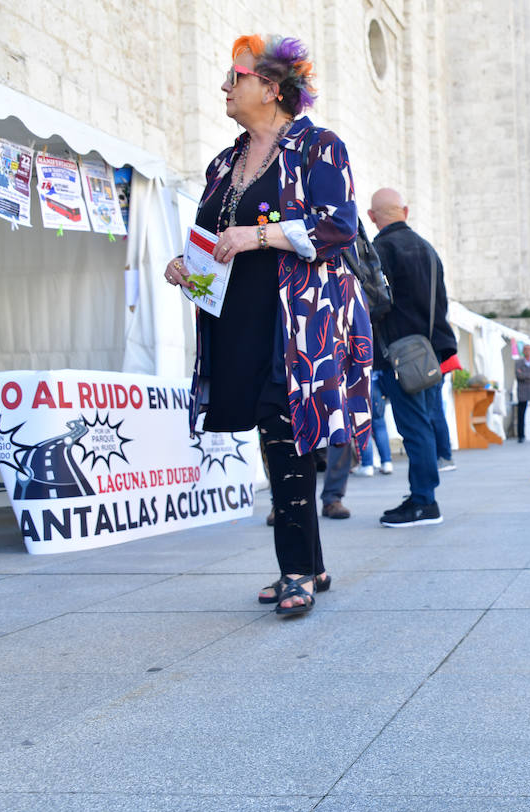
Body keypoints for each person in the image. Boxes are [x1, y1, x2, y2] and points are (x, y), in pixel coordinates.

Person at [166, 34, 370, 616]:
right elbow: (211, 235)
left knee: (285, 433)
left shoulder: (318, 147)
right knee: (273, 432)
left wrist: (255, 235)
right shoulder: (223, 162)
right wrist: (187, 264)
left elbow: (337, 227)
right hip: (235, 319)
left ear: (271, 88)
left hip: (295, 321)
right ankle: (316, 562)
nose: (225, 88)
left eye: (235, 78)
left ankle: (296, 571)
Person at [366, 187, 457, 527]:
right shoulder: (428, 249)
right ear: (406, 210)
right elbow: (442, 303)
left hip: (402, 354)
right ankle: (422, 493)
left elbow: (376, 301)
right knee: (427, 422)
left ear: (373, 217)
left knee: (414, 426)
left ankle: (424, 502)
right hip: (432, 353)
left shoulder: (381, 248)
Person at [354, 370, 394, 475]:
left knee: (363, 426)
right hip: (375, 382)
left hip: (358, 384)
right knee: (380, 424)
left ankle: (367, 464)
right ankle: (387, 462)